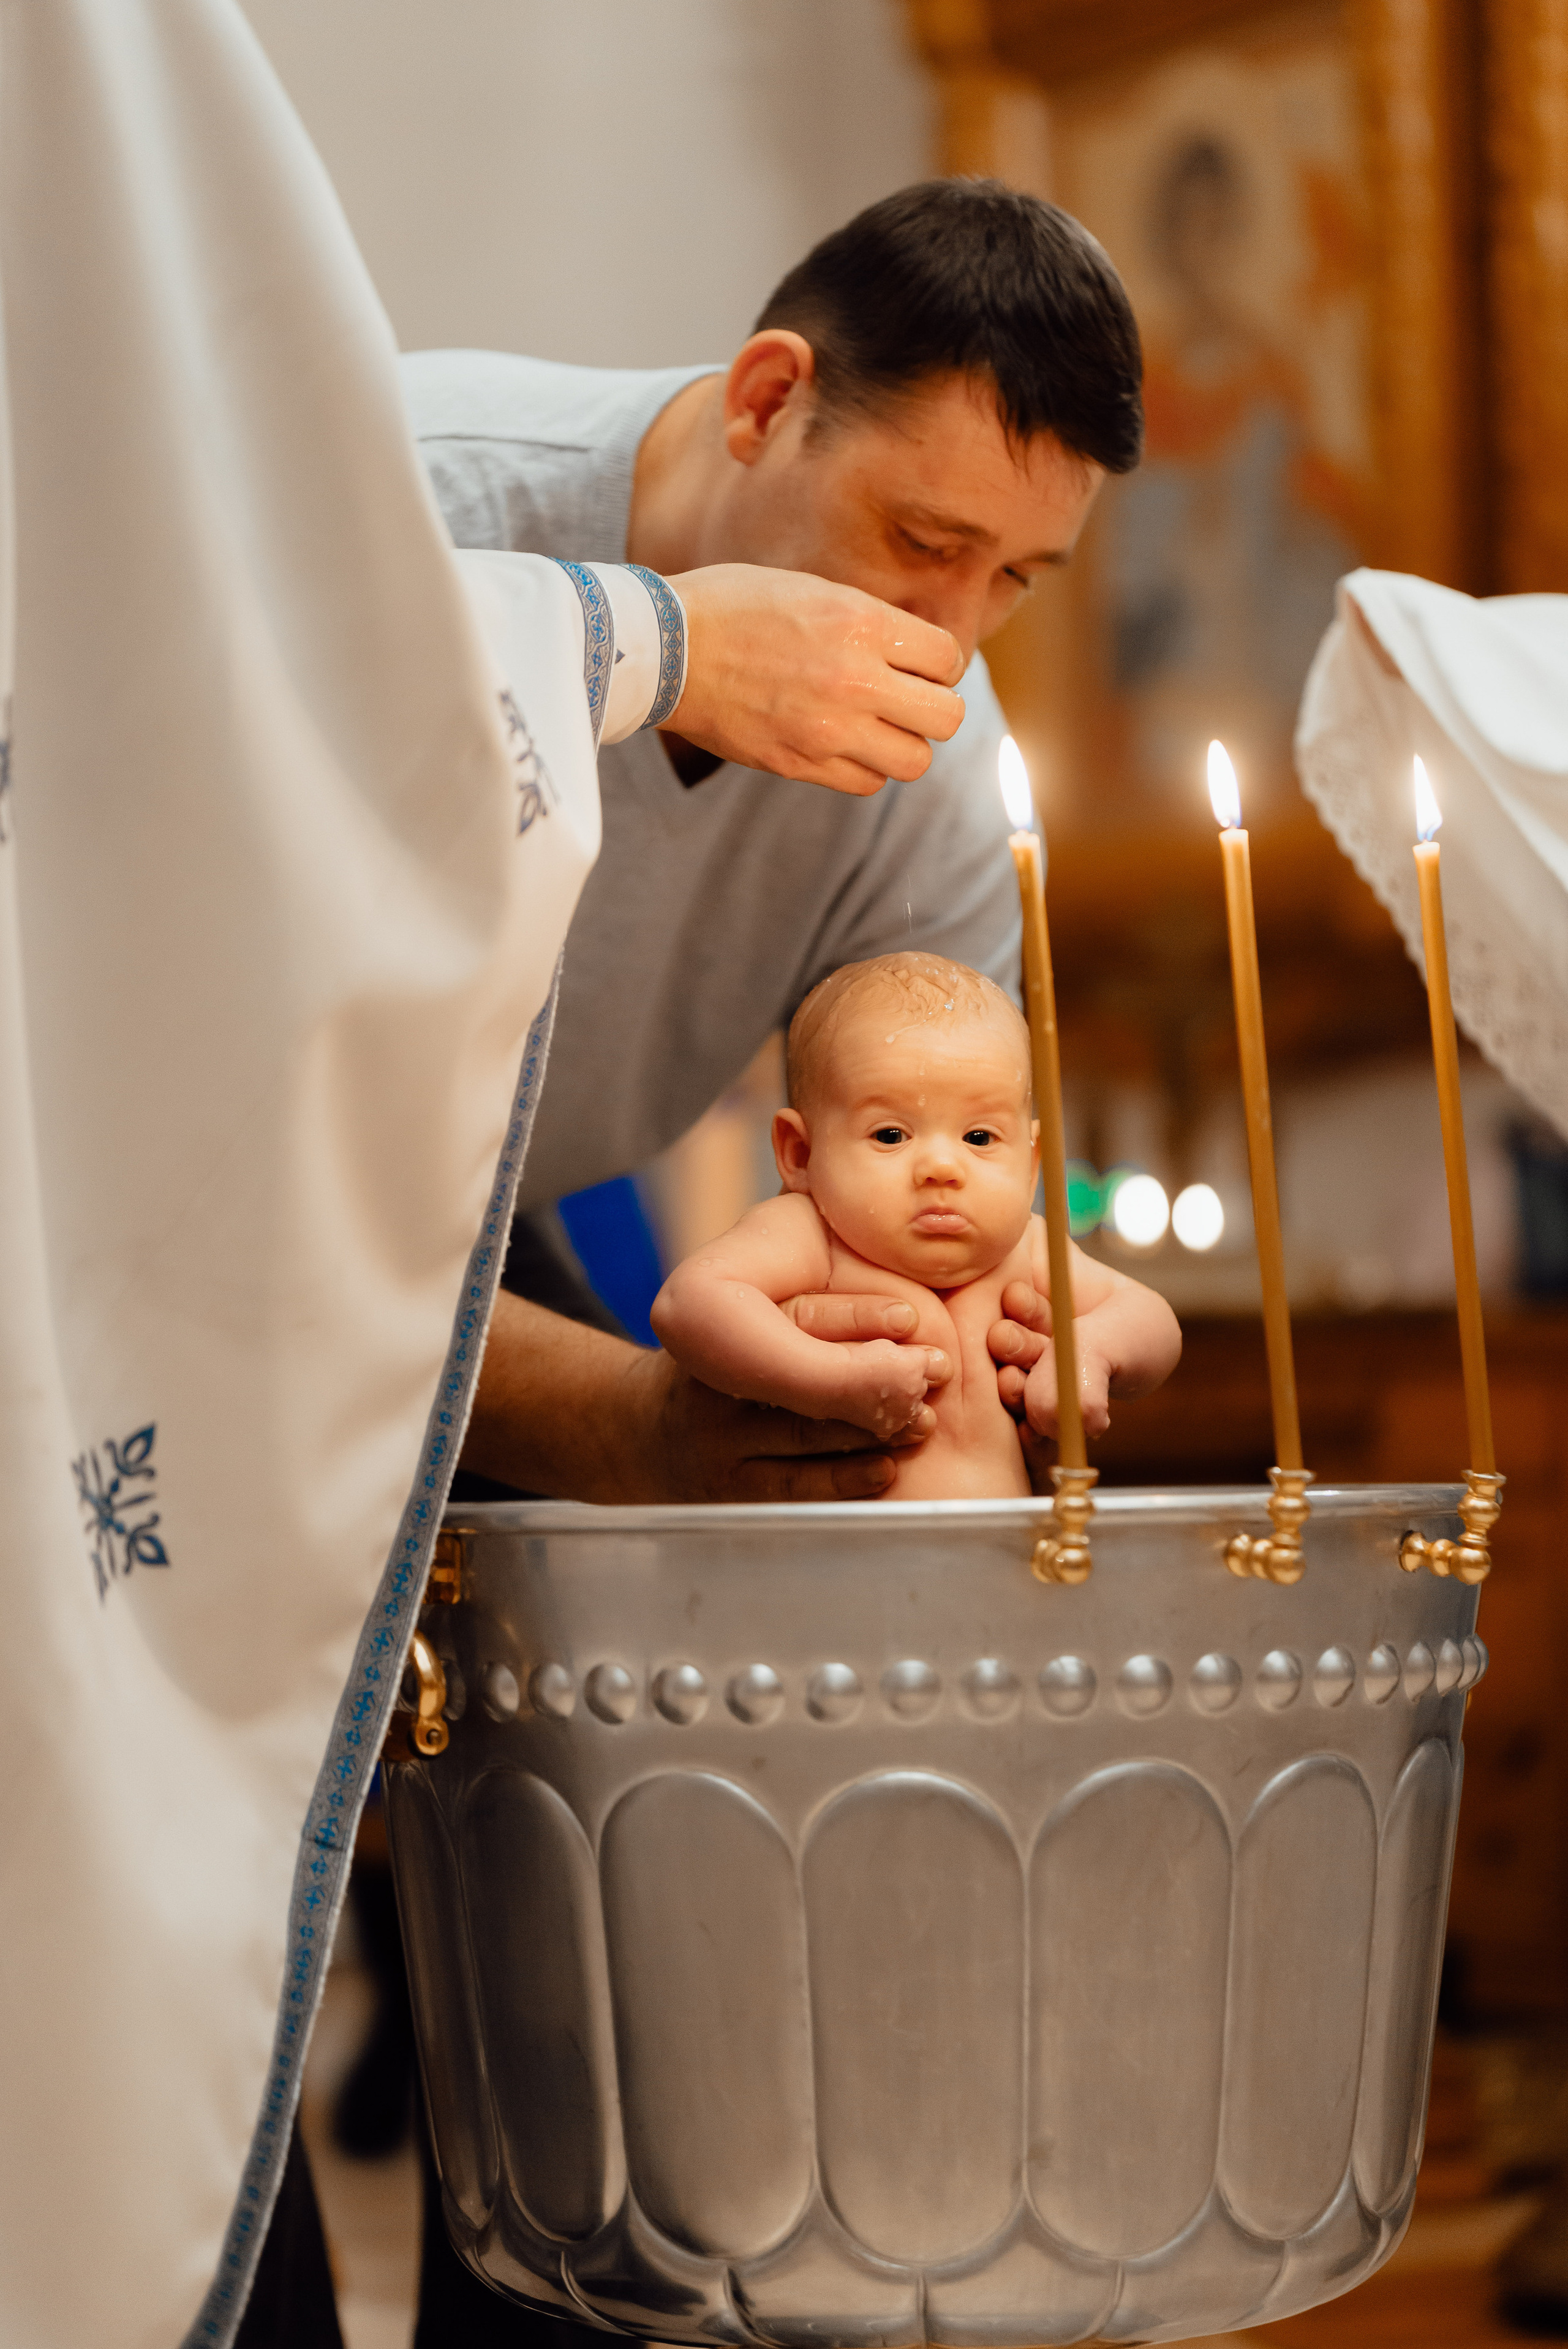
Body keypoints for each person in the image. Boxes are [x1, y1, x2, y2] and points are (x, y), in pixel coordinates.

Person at [401, 178, 1144, 1509]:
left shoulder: (940, 763)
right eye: (923, 540)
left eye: (1017, 579)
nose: (952, 641)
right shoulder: (405, 498)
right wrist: (624, 1425)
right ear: (762, 403)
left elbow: (928, 1202)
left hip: (486, 1234)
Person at [652, 953, 1181, 1496]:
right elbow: (688, 1302)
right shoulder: (813, 1234)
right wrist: (829, 1379)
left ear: (1031, 1164)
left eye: (979, 1138)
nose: (942, 1168)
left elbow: (1153, 1320)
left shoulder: (1025, 1248)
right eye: (891, 1134)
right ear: (801, 1153)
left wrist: (1087, 1352)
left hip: (1002, 1567)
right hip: (838, 1575)